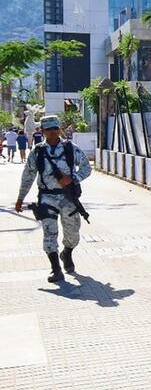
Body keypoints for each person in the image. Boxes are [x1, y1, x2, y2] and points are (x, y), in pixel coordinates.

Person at [14, 115, 92, 282]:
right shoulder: (38, 152)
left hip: (68, 197)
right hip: (47, 197)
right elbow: (28, 175)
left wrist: (73, 179)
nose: (52, 132)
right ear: (42, 131)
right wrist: (21, 198)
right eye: (48, 130)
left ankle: (67, 253)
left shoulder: (71, 148)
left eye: (55, 129)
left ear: (59, 129)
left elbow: (86, 167)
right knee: (50, 232)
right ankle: (55, 268)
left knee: (73, 233)